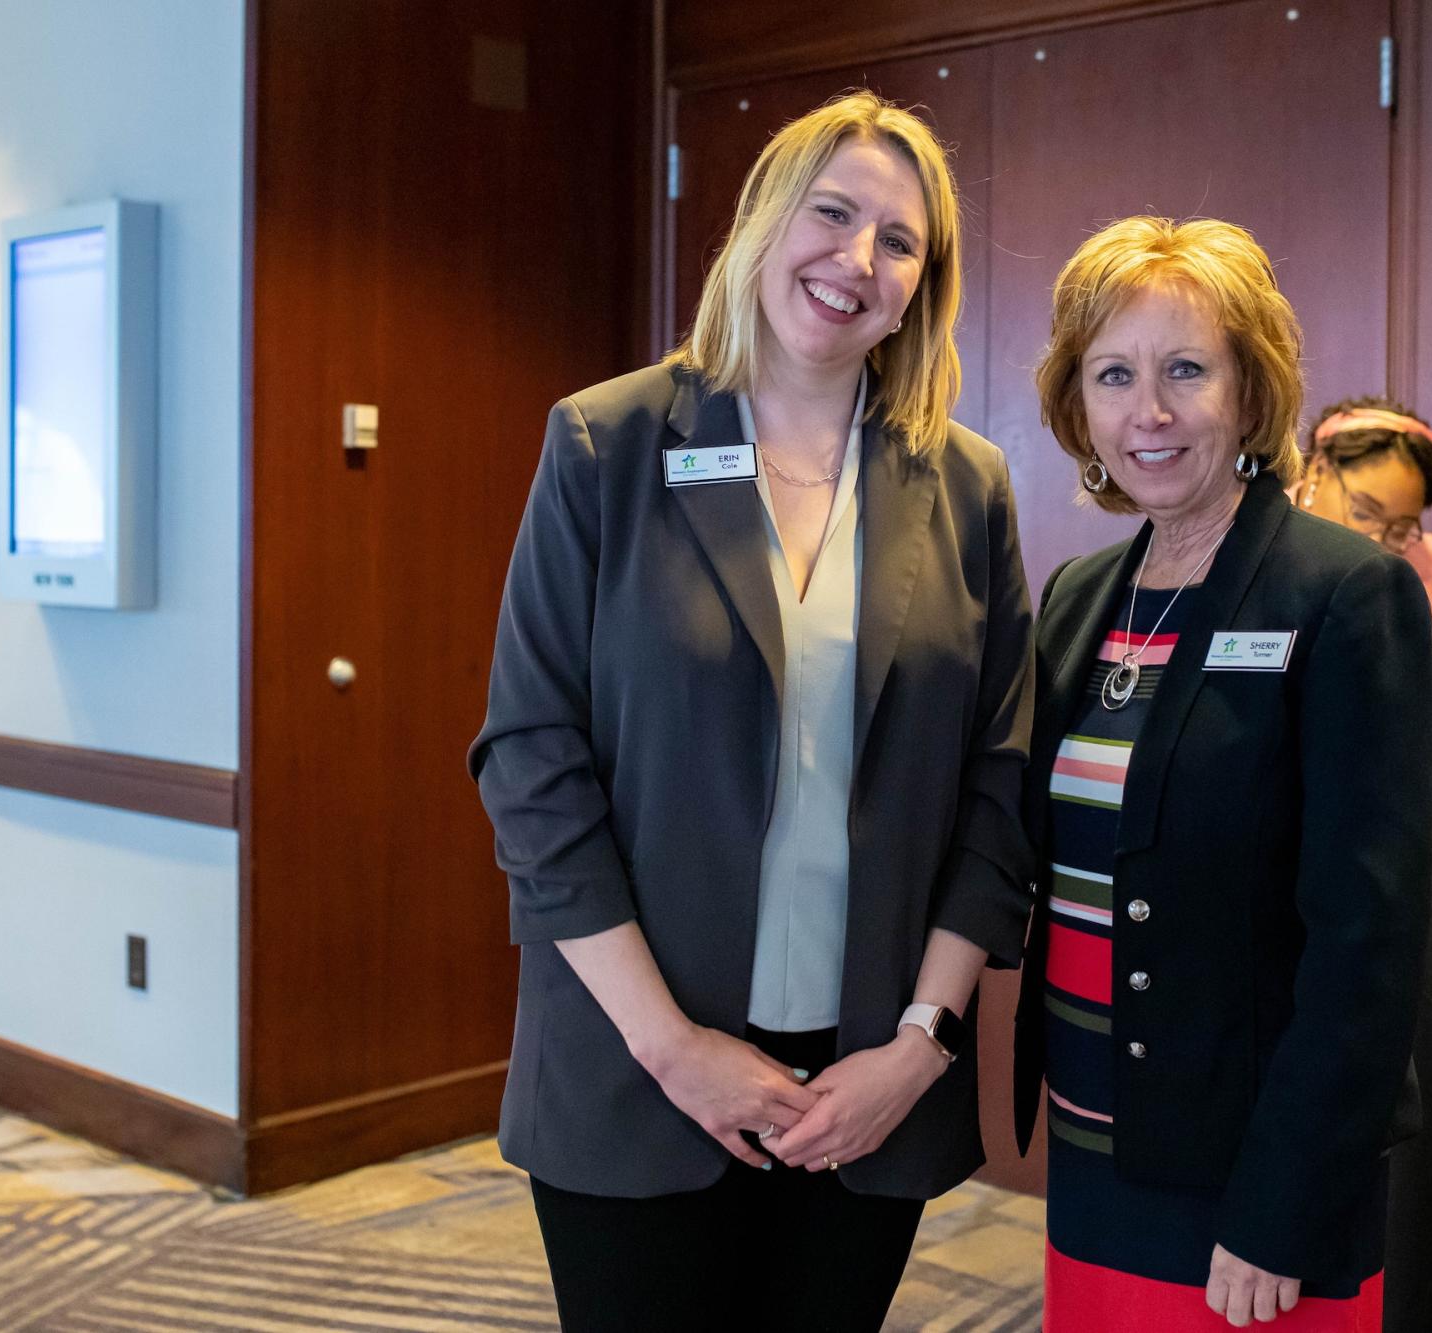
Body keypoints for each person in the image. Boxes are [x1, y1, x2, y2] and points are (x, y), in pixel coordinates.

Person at [468, 92, 1035, 1332]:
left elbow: (997, 789)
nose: (857, 259)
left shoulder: (965, 484)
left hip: (868, 1083)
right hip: (636, 1069)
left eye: (899, 241)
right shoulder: (606, 444)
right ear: (764, 220)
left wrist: (920, 1044)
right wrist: (671, 1045)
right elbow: (530, 763)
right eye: (831, 214)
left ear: (921, 287)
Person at [1014, 217, 1432, 1331]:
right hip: (1096, 1135)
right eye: (1113, 374)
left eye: (1185, 370)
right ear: (1079, 406)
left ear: (1250, 394)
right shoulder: (1078, 595)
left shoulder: (1344, 594)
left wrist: (1281, 1203)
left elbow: (1367, 944)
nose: (1146, 411)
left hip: (1250, 1170)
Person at [1293, 399, 1432, 753]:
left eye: (1400, 529)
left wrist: (1397, 750)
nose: (1378, 542)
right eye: (1364, 513)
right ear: (1319, 470)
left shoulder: (1429, 568)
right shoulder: (1248, 543)